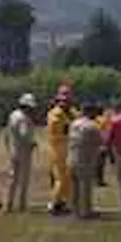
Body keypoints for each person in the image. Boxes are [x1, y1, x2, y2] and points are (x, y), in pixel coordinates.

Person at [0, 92, 39, 213]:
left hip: (13, 149)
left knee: (12, 178)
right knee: (24, 179)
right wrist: (32, 143)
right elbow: (24, 134)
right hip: (23, 151)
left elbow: (7, 133)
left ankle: (8, 204)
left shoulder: (13, 115)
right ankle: (22, 204)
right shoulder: (24, 118)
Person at [68, 103, 104, 220]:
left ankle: (75, 210)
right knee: (85, 187)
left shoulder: (74, 123)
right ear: (90, 112)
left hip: (72, 156)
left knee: (75, 187)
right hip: (86, 159)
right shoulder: (92, 126)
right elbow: (100, 142)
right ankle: (86, 212)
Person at [45, 85, 75, 216]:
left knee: (68, 179)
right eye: (62, 100)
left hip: (68, 149)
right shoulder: (54, 114)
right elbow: (60, 129)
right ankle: (53, 204)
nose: (65, 102)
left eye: (67, 99)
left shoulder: (72, 112)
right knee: (60, 179)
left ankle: (63, 202)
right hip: (57, 150)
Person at [95, 104, 113, 186]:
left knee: (94, 163)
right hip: (102, 144)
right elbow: (107, 132)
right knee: (100, 164)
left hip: (93, 144)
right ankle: (99, 180)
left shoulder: (93, 119)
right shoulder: (104, 120)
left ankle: (95, 180)